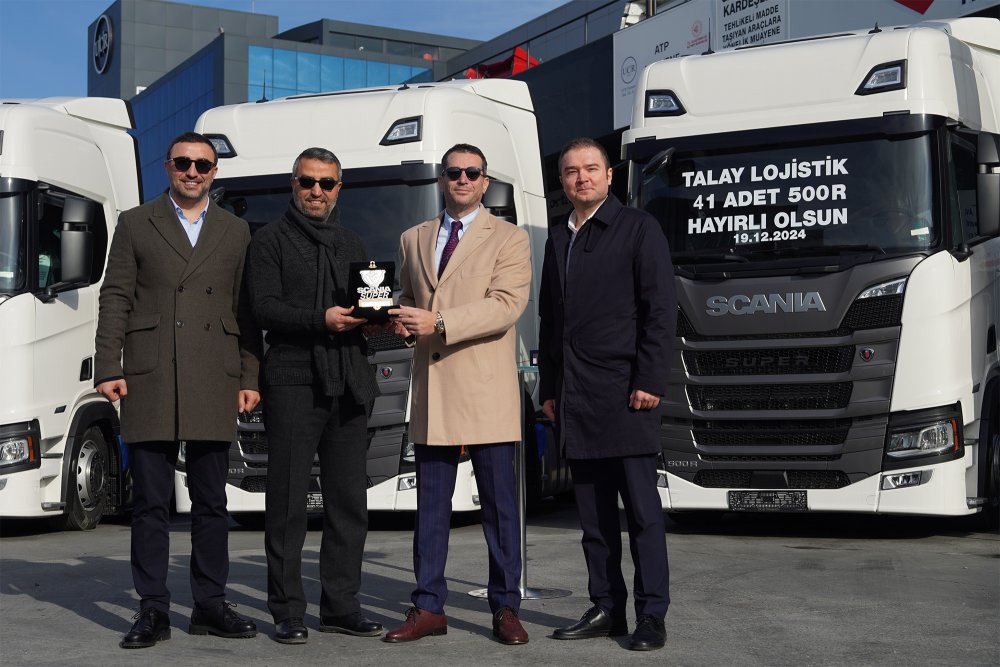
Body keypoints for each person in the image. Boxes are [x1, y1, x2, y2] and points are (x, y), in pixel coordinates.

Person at [94, 131, 263, 649]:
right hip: (151, 372)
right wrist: (108, 365)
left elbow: (245, 309)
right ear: (168, 166)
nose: (193, 172)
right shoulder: (135, 222)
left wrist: (249, 375)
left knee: (211, 500)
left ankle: (210, 604)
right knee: (150, 501)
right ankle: (153, 608)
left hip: (214, 372)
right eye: (184, 163)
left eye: (202, 165)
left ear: (214, 172)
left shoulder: (236, 230)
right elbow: (115, 297)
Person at [382, 143, 530, 645]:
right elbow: (408, 297)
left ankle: (506, 608)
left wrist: (439, 321)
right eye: (454, 172)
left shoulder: (510, 238)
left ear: (485, 182)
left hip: (486, 391)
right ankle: (428, 607)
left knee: (499, 509)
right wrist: (401, 322)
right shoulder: (412, 238)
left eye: (472, 172)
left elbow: (506, 305)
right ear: (441, 180)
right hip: (434, 390)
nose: (462, 179)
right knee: (430, 509)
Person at [537, 137, 676, 651]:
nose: (582, 178)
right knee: (593, 520)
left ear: (609, 175)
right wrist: (550, 388)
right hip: (577, 398)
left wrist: (650, 380)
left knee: (642, 516)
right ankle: (607, 608)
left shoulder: (639, 228)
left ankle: (652, 615)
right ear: (562, 180)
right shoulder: (558, 238)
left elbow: (659, 309)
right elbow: (551, 321)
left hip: (627, 394)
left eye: (591, 168)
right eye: (572, 171)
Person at [245, 147, 384, 644]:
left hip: (348, 381)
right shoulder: (269, 240)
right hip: (292, 383)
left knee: (349, 502)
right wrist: (320, 319)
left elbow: (366, 308)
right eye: (308, 182)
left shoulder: (352, 242)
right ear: (294, 184)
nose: (316, 191)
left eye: (326, 183)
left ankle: (341, 606)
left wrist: (381, 320)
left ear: (339, 188)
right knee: (287, 502)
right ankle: (287, 609)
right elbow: (263, 309)